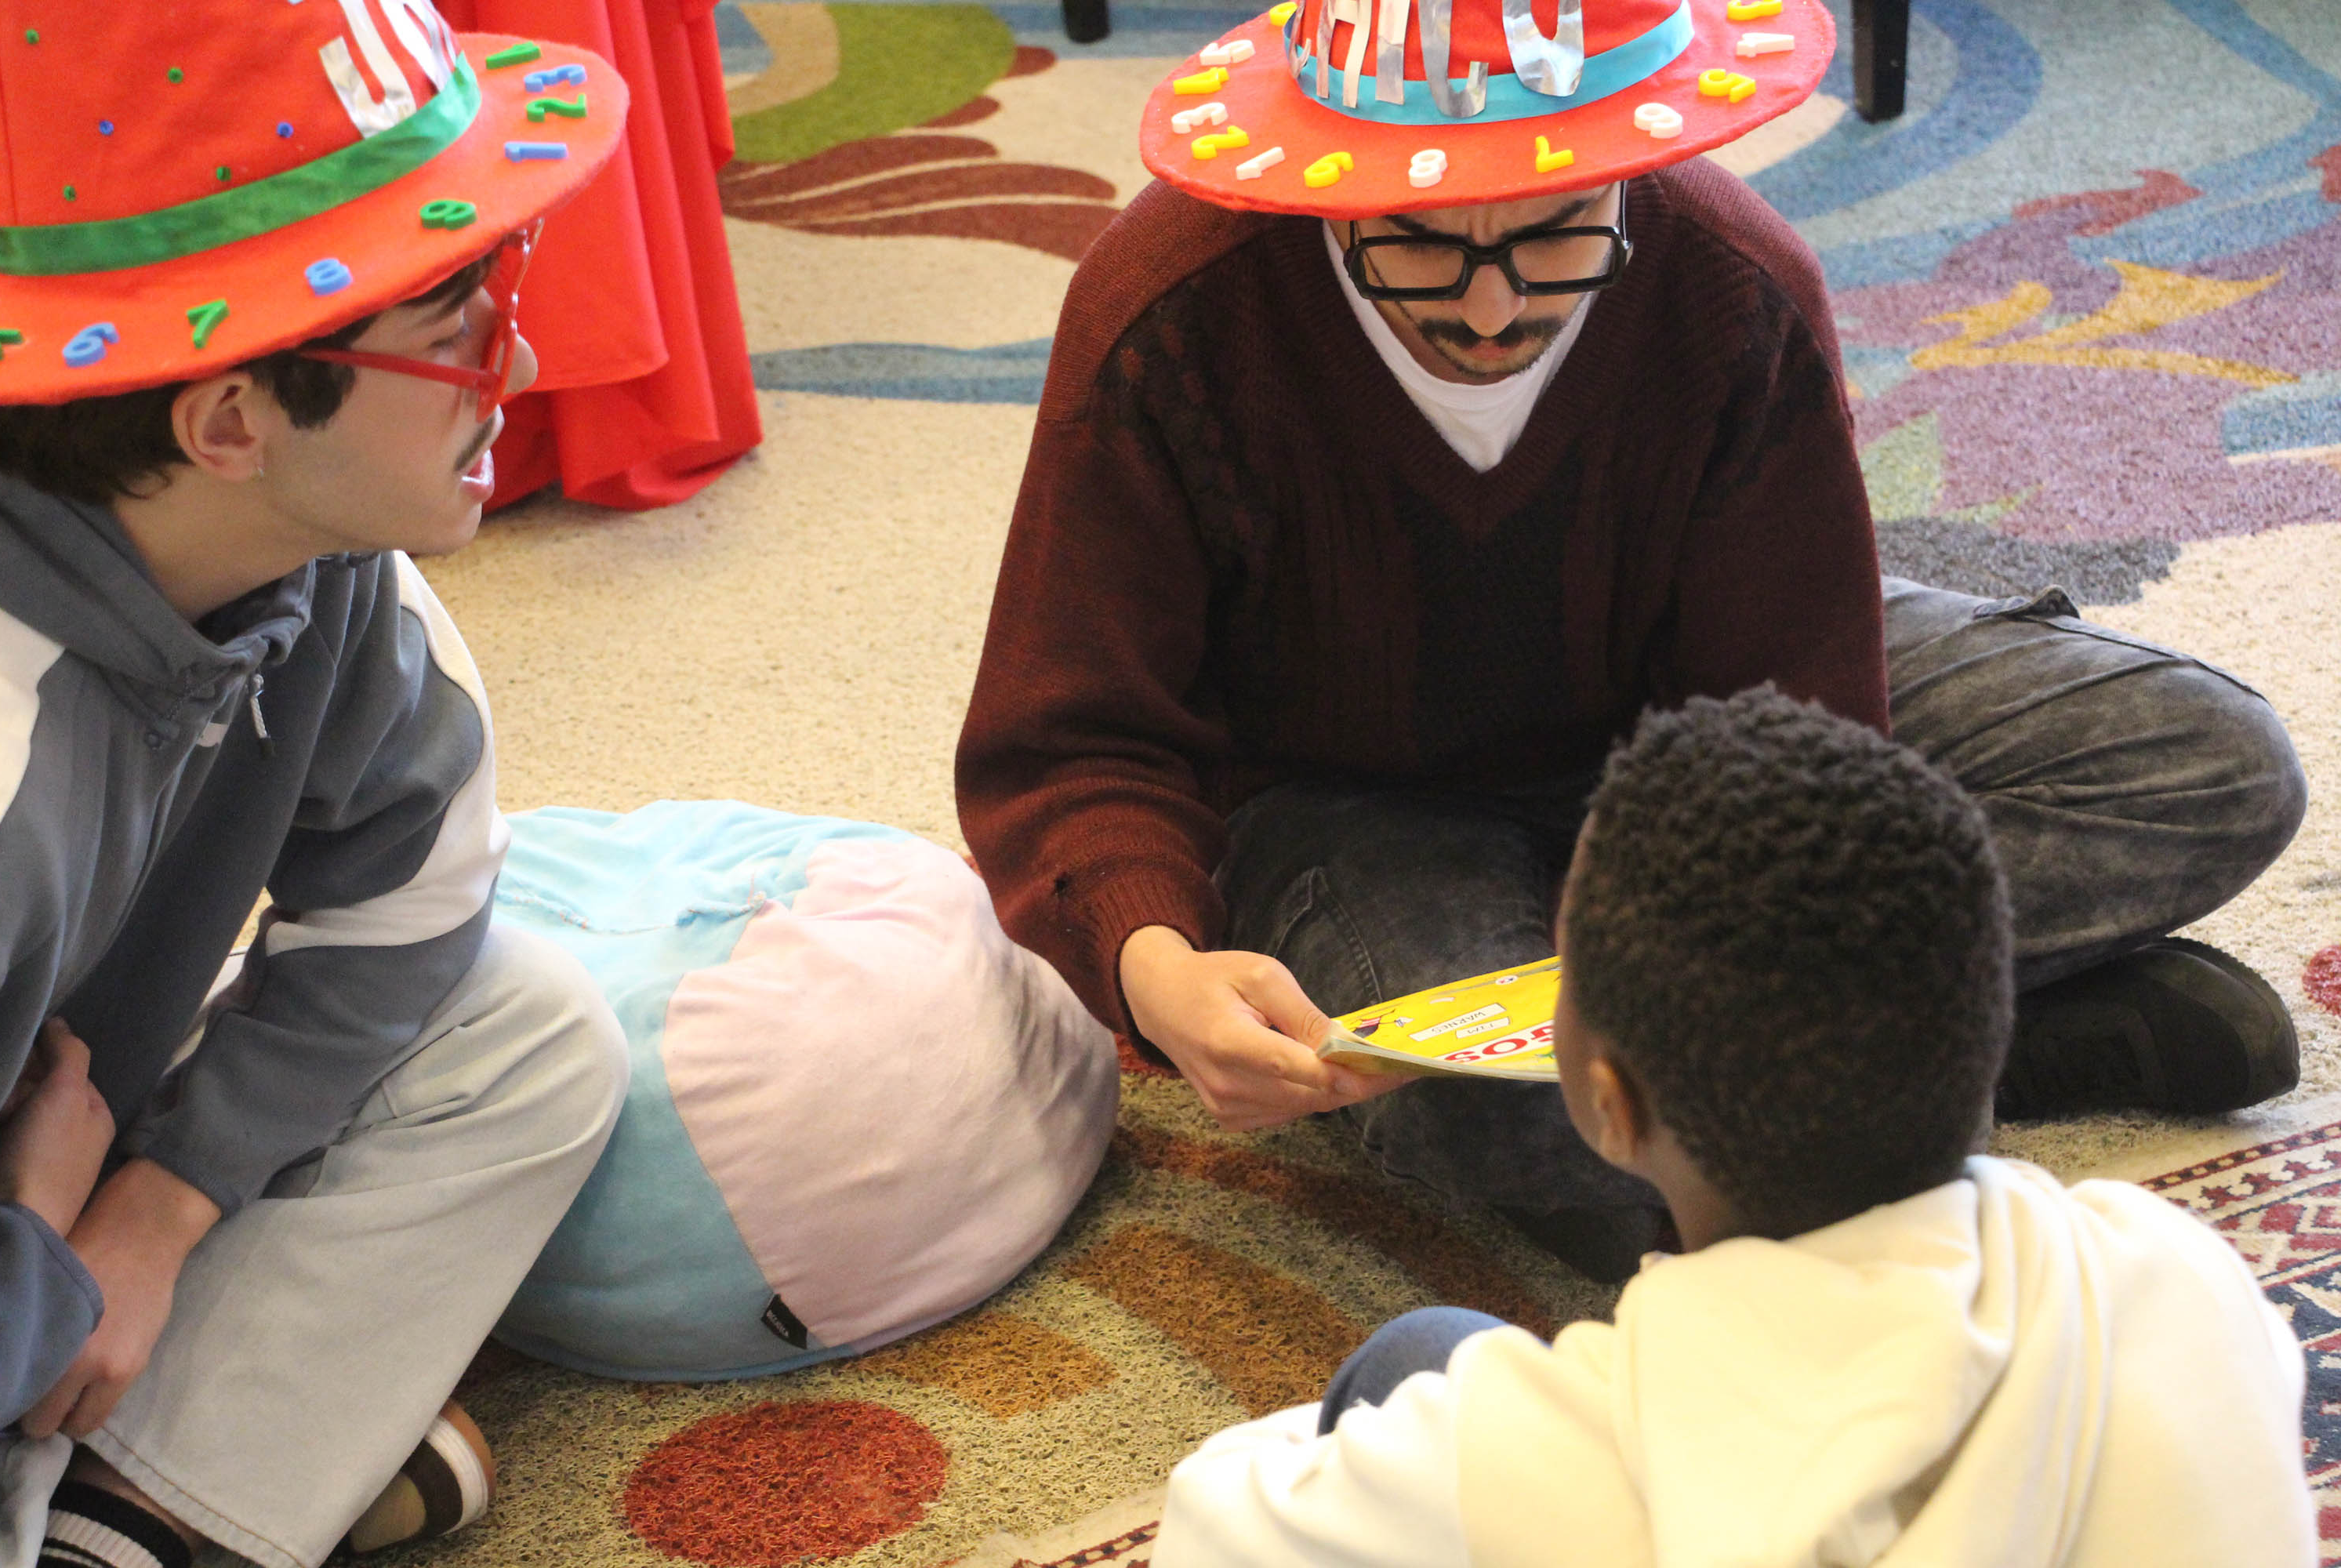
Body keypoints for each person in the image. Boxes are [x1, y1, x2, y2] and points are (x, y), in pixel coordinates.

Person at [955, 0, 2307, 1280]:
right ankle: (1962, 1051)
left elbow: (1805, 718)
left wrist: (1715, 928)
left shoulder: (1733, 283)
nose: (1487, 308)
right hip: (1348, 803)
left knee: (2214, 765)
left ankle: (1748, 1063)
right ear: (1326, 183)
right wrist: (1156, 964)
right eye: (1417, 243)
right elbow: (1069, 736)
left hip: (1700, 728)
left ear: (1633, 169)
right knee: (1477, 1106)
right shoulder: (1174, 306)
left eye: (1552, 238)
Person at [1147, 687, 2316, 1566]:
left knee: (1409, 1362)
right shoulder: (2185, 1276)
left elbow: (1207, 1519)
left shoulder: (1537, 1454)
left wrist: (1428, 1450)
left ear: (1607, 1102)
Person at [0, 8, 634, 1566]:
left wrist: (153, 1211)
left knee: (529, 1028)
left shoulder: (325, 564)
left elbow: (415, 899)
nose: (523, 365)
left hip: (44, 1175)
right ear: (229, 423)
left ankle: (121, 1507)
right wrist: (41, 1261)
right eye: (465, 333)